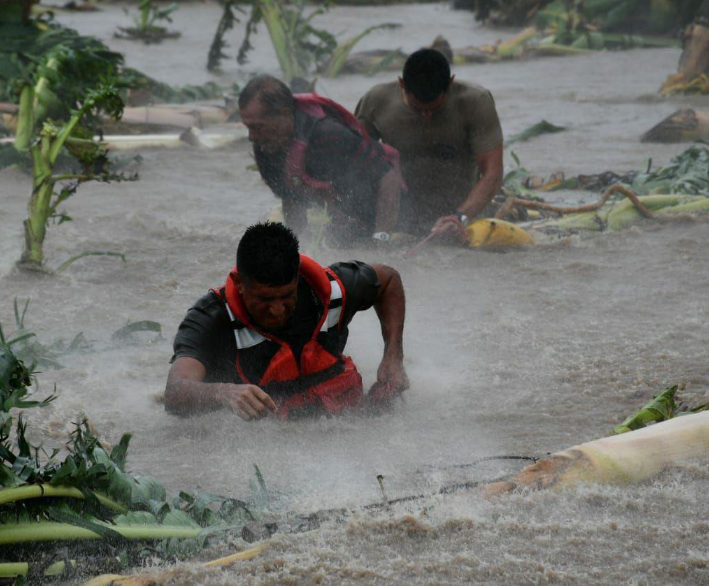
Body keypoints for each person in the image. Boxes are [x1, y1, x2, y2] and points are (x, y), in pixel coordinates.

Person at [164, 222, 409, 421]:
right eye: (265, 299)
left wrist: (393, 355)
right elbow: (174, 392)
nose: (278, 310)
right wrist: (223, 393)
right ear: (239, 284)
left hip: (344, 413)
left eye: (287, 296)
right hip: (269, 426)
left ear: (297, 277)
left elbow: (388, 280)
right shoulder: (212, 319)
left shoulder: (331, 291)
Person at [355, 48, 504, 243]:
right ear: (402, 84)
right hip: (398, 221)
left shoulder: (475, 102)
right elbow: (354, 162)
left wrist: (460, 217)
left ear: (450, 84)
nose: (426, 116)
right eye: (417, 108)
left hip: (461, 220)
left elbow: (493, 173)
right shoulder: (376, 102)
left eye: (434, 109)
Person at [239, 75, 406, 245]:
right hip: (344, 221)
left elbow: (389, 176)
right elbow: (291, 198)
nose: (252, 137)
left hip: (395, 217)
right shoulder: (265, 144)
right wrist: (297, 246)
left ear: (285, 115)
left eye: (257, 127)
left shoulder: (328, 133)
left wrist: (381, 238)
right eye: (248, 127)